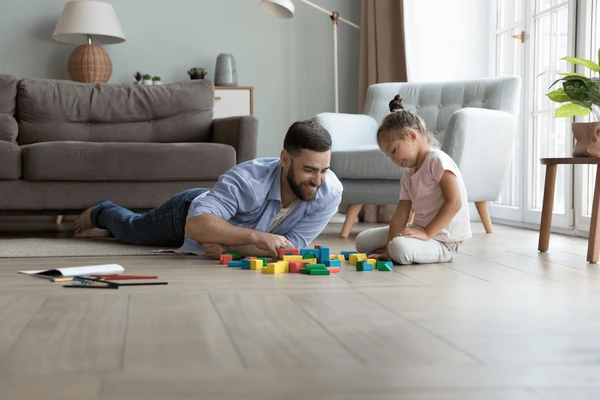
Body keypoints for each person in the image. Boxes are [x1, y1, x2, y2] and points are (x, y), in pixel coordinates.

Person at [74, 120, 343, 260]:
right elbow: (196, 226)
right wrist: (257, 238)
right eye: (309, 170)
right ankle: (101, 211)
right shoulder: (247, 179)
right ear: (285, 159)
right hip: (187, 213)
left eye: (324, 170)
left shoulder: (329, 192)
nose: (317, 180)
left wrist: (231, 249)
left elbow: (292, 247)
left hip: (220, 222)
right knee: (131, 230)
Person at [355, 95, 471, 264]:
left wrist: (426, 233)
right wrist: (388, 247)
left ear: (411, 135)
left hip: (444, 241)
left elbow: (454, 203)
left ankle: (430, 251)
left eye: (394, 150)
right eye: (389, 156)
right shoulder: (408, 174)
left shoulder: (437, 161)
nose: (393, 160)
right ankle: (399, 248)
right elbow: (401, 213)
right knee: (362, 241)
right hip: (420, 231)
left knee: (399, 248)